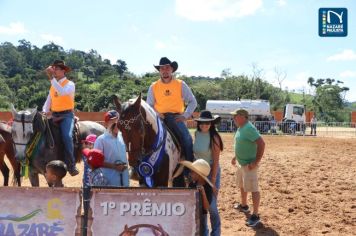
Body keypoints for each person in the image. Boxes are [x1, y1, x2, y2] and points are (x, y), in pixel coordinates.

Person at [146, 57, 197, 167]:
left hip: (176, 118)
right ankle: (141, 167)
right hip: (159, 118)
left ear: (172, 69)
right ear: (159, 71)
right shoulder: (153, 86)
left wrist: (185, 116)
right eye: (162, 68)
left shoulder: (180, 84)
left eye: (167, 68)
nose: (165, 70)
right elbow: (149, 105)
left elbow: (193, 102)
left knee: (187, 139)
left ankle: (189, 168)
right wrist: (156, 113)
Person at [43, 60, 78, 176]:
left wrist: (51, 78)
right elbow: (48, 101)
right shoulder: (53, 86)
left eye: (56, 69)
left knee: (67, 137)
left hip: (66, 115)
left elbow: (62, 92)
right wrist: (44, 111)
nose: (54, 71)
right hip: (54, 114)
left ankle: (71, 165)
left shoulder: (70, 84)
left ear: (63, 71)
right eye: (53, 69)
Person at [230, 109, 265, 227]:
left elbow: (261, 143)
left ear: (243, 117)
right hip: (242, 164)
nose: (233, 118)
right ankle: (244, 205)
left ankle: (255, 215)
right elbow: (241, 143)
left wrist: (256, 162)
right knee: (242, 186)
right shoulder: (241, 127)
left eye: (235, 116)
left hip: (250, 165)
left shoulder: (248, 128)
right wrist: (235, 156)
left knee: (254, 189)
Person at [193, 110, 223, 236]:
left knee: (212, 206)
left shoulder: (214, 137)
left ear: (211, 124)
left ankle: (216, 232)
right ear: (199, 123)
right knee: (201, 205)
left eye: (207, 123)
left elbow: (216, 161)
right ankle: (204, 232)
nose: (204, 125)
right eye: (202, 123)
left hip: (211, 172)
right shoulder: (196, 134)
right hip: (198, 171)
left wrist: (213, 181)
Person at [94, 110, 129, 187]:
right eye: (113, 122)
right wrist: (114, 167)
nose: (117, 125)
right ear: (106, 124)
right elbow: (96, 162)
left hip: (125, 180)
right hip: (109, 182)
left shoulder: (122, 137)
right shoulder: (101, 140)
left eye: (118, 122)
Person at [179, 159, 214, 236]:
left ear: (199, 175)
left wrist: (203, 193)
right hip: (192, 216)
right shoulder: (192, 184)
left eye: (192, 172)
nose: (190, 174)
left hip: (202, 216)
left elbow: (206, 208)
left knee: (203, 232)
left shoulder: (207, 188)